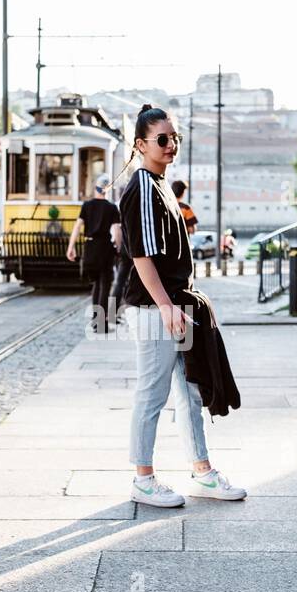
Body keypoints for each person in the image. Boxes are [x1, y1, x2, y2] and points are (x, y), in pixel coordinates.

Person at [119, 105, 247, 507]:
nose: (171, 144)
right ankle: (143, 477)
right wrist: (166, 306)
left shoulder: (161, 184)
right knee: (152, 393)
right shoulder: (142, 186)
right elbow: (142, 256)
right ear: (140, 145)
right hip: (157, 308)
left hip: (175, 307)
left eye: (175, 138)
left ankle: (203, 471)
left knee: (189, 390)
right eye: (162, 139)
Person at [66, 175, 121, 333]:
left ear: (95, 188)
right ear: (108, 190)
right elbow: (117, 231)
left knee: (96, 284)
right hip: (105, 248)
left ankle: (95, 320)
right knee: (105, 284)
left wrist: (71, 247)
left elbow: (77, 227)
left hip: (90, 247)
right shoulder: (111, 208)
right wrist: (118, 247)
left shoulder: (87, 205)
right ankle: (100, 323)